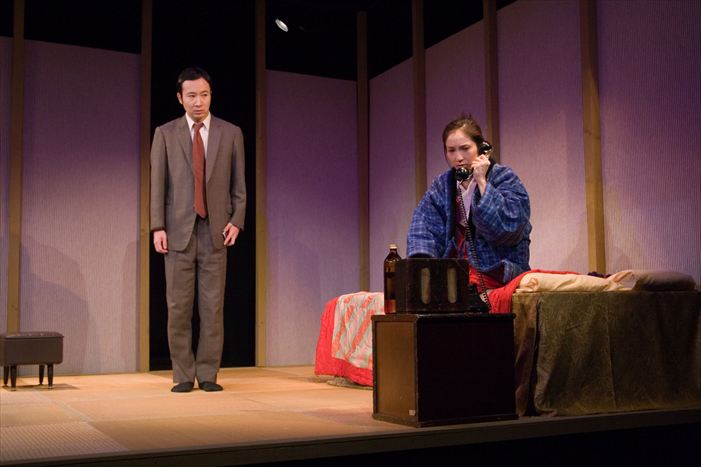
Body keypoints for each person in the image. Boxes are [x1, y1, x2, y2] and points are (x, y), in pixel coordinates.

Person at [150, 67, 246, 392]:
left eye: (204, 94)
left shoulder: (230, 133)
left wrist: (237, 219)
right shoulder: (165, 134)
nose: (198, 101)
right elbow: (157, 185)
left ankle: (207, 373)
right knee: (178, 307)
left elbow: (239, 185)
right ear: (180, 98)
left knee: (212, 307)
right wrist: (157, 226)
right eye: (191, 95)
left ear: (211, 95)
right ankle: (182, 374)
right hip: (178, 231)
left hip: (215, 230)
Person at [407, 115, 531, 298]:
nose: (458, 157)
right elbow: (424, 225)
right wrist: (423, 266)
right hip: (456, 270)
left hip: (496, 266)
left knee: (459, 289)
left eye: (465, 148)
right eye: (451, 150)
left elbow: (509, 227)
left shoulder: (504, 177)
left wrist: (482, 182)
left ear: (481, 148)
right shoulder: (443, 185)